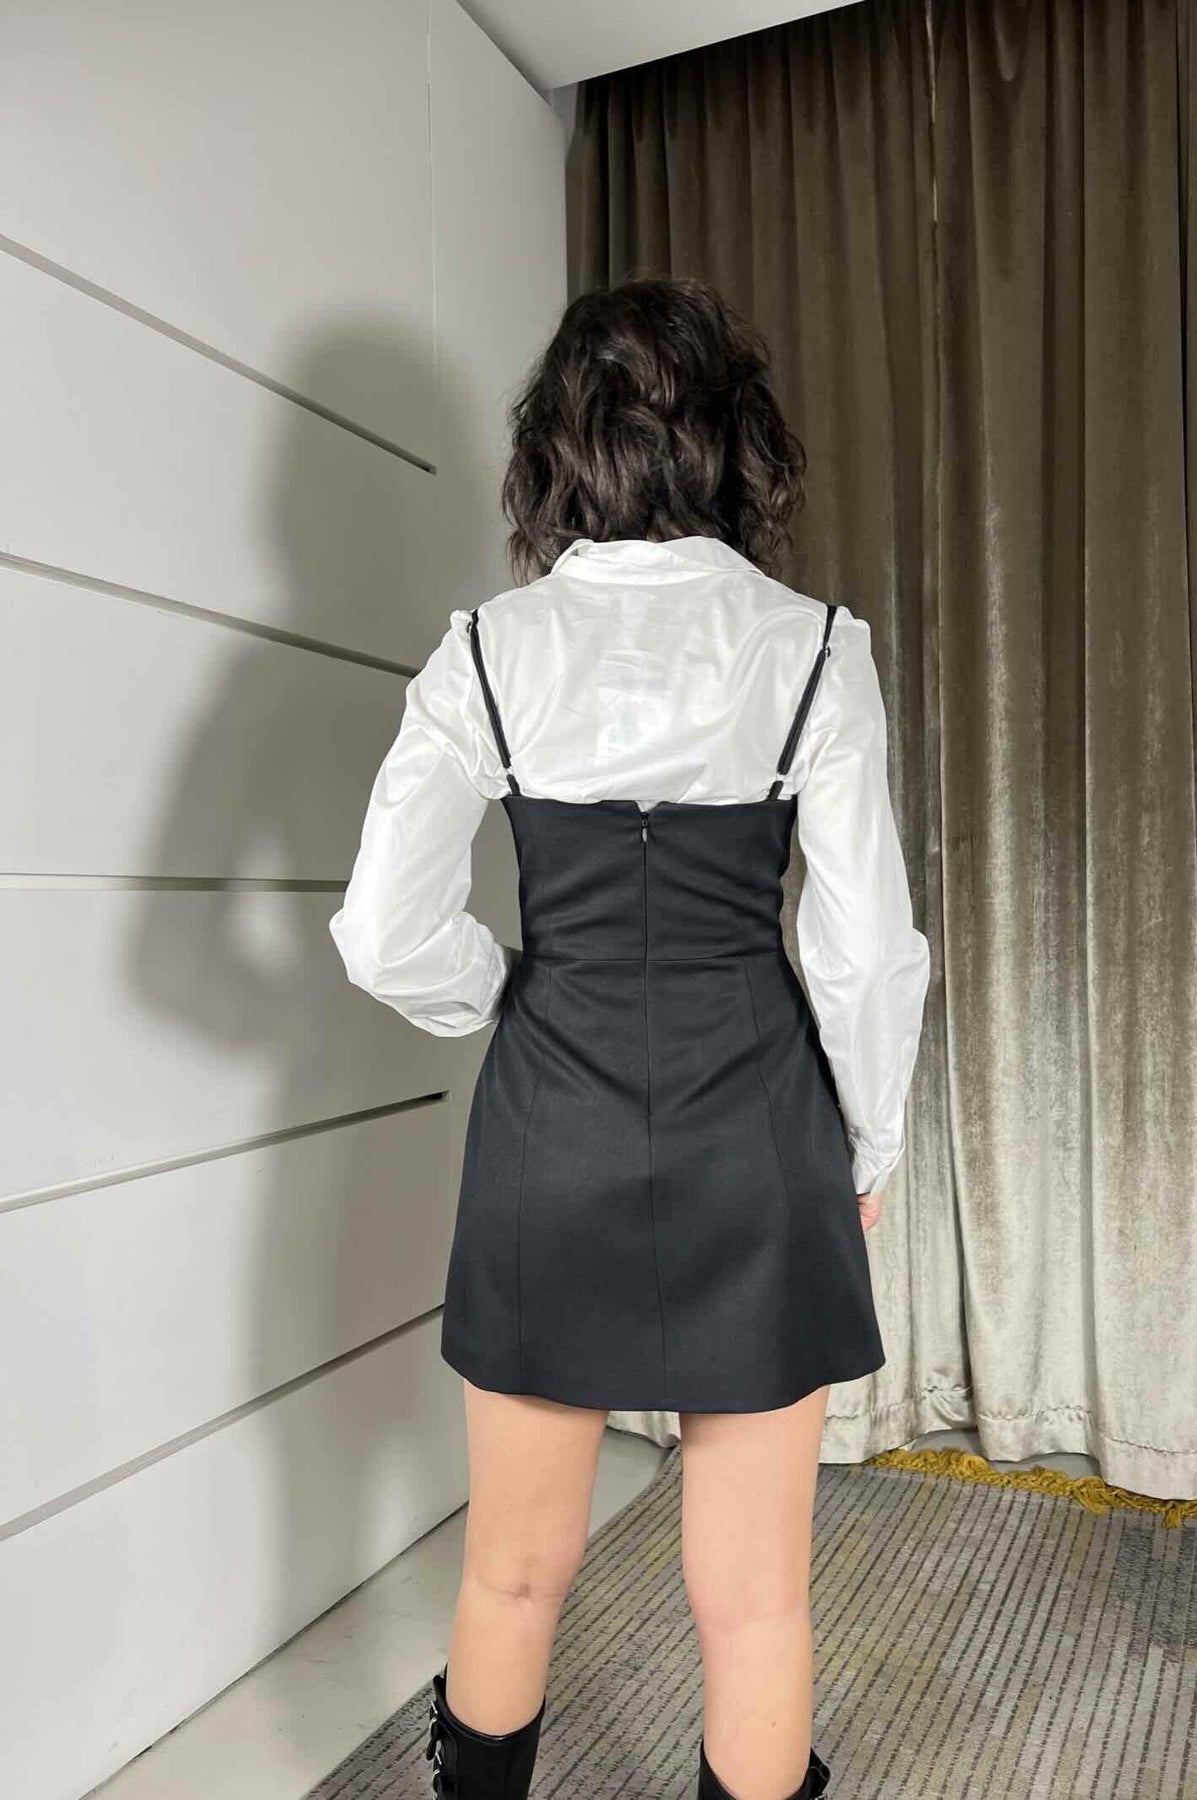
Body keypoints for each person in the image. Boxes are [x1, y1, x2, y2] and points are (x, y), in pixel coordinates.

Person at [328, 276, 931, 1800]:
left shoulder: (486, 651)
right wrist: (865, 1140)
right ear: (733, 437)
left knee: (510, 1571)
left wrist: (508, 996)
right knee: (757, 1603)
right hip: (757, 1136)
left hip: (553, 1130)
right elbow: (863, 949)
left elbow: (382, 932)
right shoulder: (814, 649)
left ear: (557, 444)